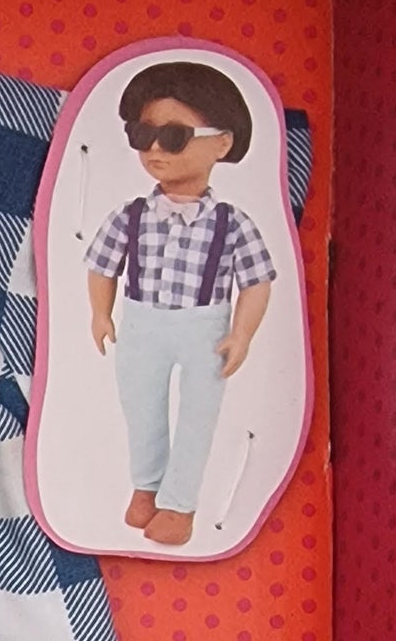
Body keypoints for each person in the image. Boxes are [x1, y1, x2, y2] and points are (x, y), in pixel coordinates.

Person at [85, 61, 277, 546]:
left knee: (197, 416)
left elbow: (256, 282)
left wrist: (242, 333)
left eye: (173, 137)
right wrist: (101, 313)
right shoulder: (131, 216)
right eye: (142, 135)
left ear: (222, 143)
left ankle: (179, 505)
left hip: (205, 329)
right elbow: (103, 266)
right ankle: (147, 487)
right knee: (141, 408)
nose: (154, 149)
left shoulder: (232, 223)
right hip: (141, 324)